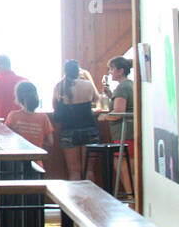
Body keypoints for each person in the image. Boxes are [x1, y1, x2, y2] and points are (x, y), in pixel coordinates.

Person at [52, 60, 99, 180]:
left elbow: (55, 107)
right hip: (89, 128)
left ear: (65, 72)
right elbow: (96, 99)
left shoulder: (59, 86)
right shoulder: (88, 84)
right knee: (88, 170)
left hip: (69, 130)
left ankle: (76, 199)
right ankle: (91, 198)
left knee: (74, 171)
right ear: (78, 71)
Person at [102, 56, 135, 194]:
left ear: (121, 71)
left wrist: (105, 117)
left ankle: (132, 198)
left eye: (112, 69)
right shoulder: (130, 85)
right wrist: (111, 95)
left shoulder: (122, 88)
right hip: (131, 132)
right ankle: (134, 198)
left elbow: (119, 112)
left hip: (124, 133)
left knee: (124, 168)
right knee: (130, 167)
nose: (110, 72)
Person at [4, 80, 55, 149]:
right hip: (37, 157)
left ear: (18, 98)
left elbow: (6, 138)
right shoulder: (43, 117)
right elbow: (50, 142)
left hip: (17, 157)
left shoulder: (13, 116)